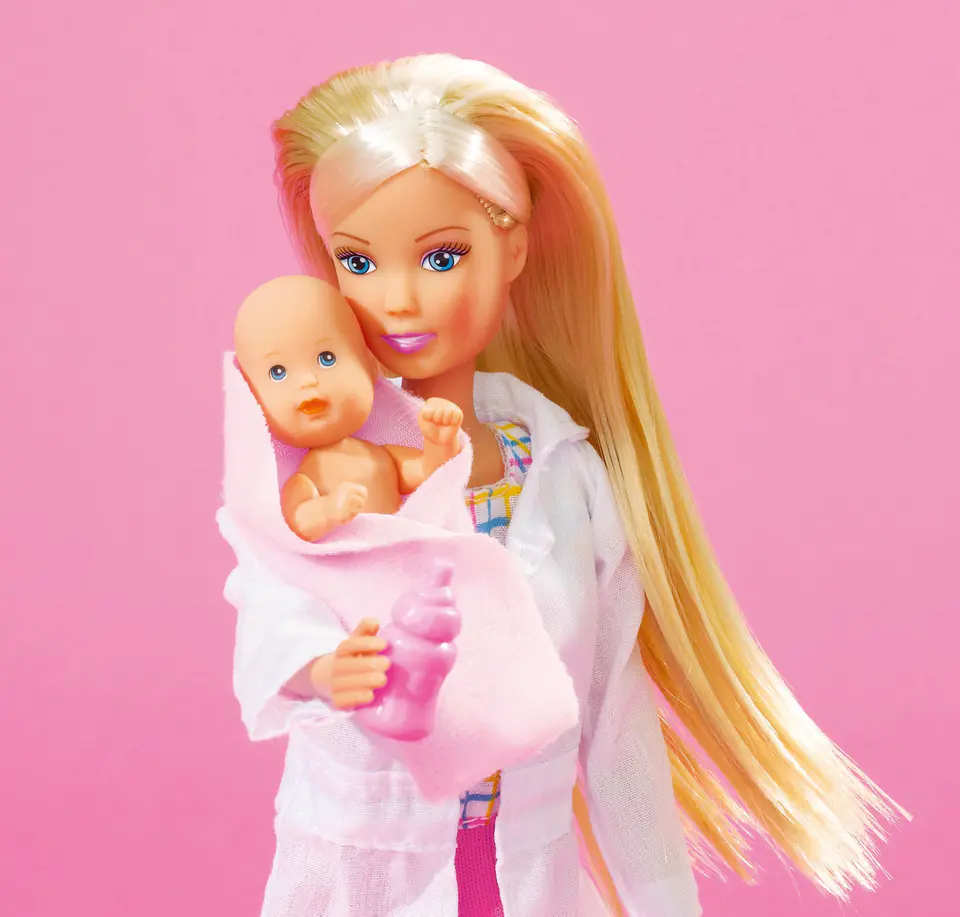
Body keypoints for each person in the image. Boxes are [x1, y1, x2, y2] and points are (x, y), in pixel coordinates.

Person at [219, 53, 903, 917]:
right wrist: (321, 669)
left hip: (525, 874)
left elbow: (616, 724)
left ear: (513, 246)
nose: (396, 301)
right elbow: (270, 601)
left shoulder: (563, 472)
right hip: (363, 876)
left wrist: (664, 901)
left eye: (440, 257)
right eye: (357, 262)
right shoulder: (322, 467)